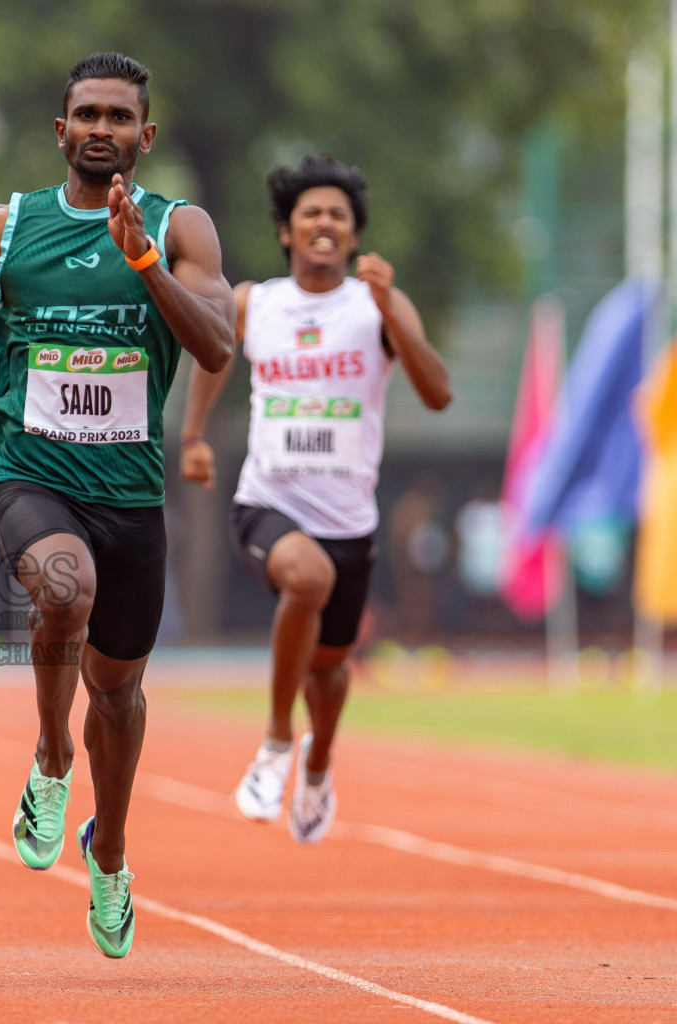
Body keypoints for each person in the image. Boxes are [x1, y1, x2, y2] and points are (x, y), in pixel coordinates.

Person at [0, 53, 233, 957]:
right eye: (88, 113)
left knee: (119, 696)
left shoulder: (179, 227)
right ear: (61, 130)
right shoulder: (4, 229)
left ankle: (109, 852)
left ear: (144, 136)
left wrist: (146, 263)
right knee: (63, 591)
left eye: (121, 117)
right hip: (31, 474)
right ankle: (50, 757)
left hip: (132, 495)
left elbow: (216, 343)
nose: (102, 129)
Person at [180, 154, 451, 844]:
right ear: (286, 231)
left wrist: (393, 313)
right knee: (307, 576)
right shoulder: (255, 302)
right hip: (266, 501)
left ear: (354, 235)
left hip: (349, 518)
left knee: (331, 671)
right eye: (311, 214)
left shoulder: (378, 304)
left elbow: (438, 392)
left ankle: (319, 765)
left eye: (338, 215)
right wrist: (193, 435)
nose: (324, 224)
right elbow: (215, 354)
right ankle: (275, 742)